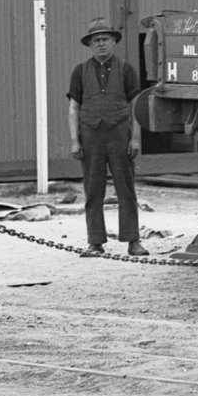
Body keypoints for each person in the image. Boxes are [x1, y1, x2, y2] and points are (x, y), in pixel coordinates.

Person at [66, 16, 146, 256]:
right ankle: (95, 242)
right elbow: (73, 108)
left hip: (120, 135)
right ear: (90, 44)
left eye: (106, 39)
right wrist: (74, 140)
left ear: (114, 42)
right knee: (93, 190)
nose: (101, 44)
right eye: (96, 40)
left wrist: (136, 138)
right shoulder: (80, 71)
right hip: (90, 137)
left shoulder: (126, 69)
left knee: (126, 189)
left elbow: (137, 105)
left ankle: (133, 241)